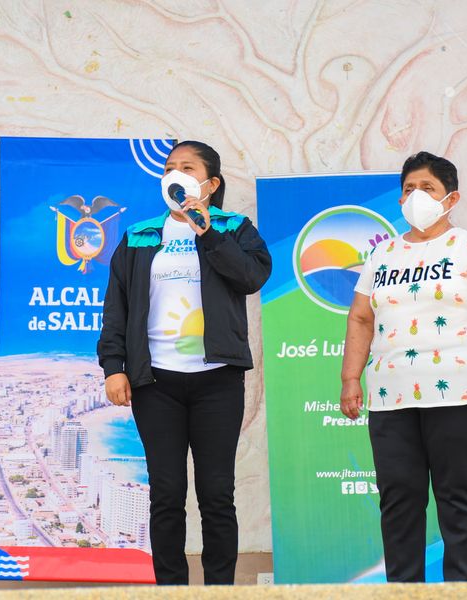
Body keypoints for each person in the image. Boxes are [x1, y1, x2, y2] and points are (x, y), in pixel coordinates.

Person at [97, 141, 272, 585]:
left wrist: (207, 233)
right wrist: (114, 367)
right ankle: (171, 589)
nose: (175, 174)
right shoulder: (138, 235)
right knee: (166, 493)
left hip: (218, 381)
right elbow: (116, 307)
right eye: (169, 167)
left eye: (187, 168)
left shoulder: (234, 228)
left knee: (217, 494)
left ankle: (220, 590)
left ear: (210, 184)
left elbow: (251, 277)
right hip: (156, 383)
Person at [340, 151, 467, 582]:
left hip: (459, 396)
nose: (416, 196)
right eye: (409, 189)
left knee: (458, 500)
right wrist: (350, 378)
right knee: (398, 501)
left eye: (428, 188)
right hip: (390, 399)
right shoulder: (381, 255)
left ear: (451, 198)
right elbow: (360, 318)